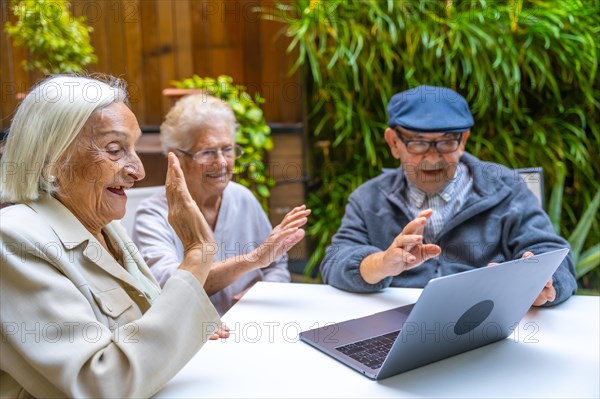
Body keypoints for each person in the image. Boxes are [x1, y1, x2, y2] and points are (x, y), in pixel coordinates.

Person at [0, 75, 228, 398]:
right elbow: (101, 385)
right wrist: (196, 257)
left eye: (133, 148)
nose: (138, 170)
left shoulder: (106, 227)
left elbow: (146, 325)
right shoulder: (12, 240)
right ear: (51, 160)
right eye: (114, 149)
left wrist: (185, 322)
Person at [320, 85, 577, 306]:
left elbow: (552, 253)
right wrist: (382, 263)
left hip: (484, 322)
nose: (432, 159)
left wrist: (542, 282)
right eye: (418, 143)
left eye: (446, 143)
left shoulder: (506, 188)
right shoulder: (368, 199)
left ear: (463, 140)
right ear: (393, 143)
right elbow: (334, 262)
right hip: (395, 323)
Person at [133, 94, 310, 315]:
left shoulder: (243, 198)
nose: (222, 162)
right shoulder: (153, 214)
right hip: (194, 343)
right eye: (207, 152)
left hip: (253, 328)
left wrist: (261, 293)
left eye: (227, 149)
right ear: (178, 158)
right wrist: (254, 259)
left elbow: (276, 267)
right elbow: (170, 287)